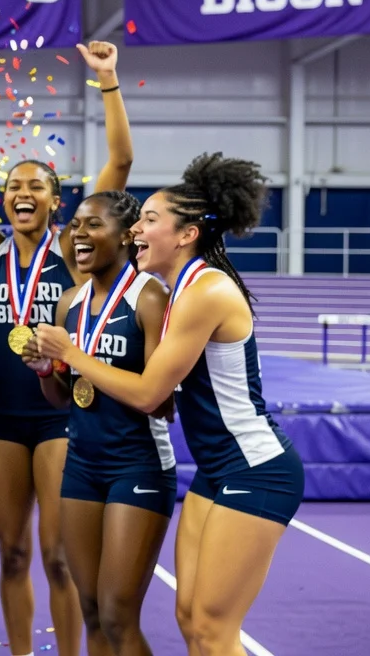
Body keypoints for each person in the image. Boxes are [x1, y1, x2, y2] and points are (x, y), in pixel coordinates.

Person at [34, 154, 304, 656]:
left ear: (187, 235)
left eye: (149, 220)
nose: (136, 228)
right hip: (217, 470)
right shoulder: (182, 287)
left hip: (256, 469)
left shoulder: (207, 290)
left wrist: (71, 353)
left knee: (211, 629)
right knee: (190, 619)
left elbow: (150, 395)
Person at [0, 42, 133, 656]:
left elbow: (119, 162)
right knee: (13, 554)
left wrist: (108, 81)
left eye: (35, 186)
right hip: (3, 420)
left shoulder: (73, 248)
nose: (22, 193)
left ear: (53, 199)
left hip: (62, 416)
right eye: (13, 185)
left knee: (58, 556)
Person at [23, 191, 175, 656]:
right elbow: (60, 399)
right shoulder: (70, 302)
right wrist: (48, 368)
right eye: (75, 225)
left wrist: (75, 356)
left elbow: (161, 402)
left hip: (138, 465)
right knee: (89, 608)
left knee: (116, 613)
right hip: (82, 463)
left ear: (127, 236)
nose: (79, 234)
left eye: (93, 225)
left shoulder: (150, 297)